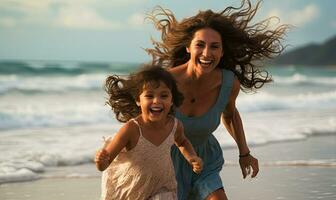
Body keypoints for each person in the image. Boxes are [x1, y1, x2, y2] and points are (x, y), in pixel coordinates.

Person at [145, 0, 289, 199]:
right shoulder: (164, 83)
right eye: (200, 45)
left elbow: (230, 116)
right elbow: (143, 124)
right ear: (188, 47)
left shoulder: (228, 84)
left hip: (204, 160)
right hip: (165, 163)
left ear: (222, 52)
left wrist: (244, 153)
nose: (207, 53)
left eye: (214, 47)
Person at [94, 66, 203, 200]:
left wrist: (191, 157)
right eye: (149, 96)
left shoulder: (174, 125)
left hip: (162, 186)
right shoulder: (131, 129)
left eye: (164, 95)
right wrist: (101, 161)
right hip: (131, 191)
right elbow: (106, 162)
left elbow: (182, 141)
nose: (157, 101)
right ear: (138, 100)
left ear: (172, 100)